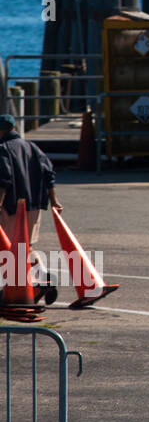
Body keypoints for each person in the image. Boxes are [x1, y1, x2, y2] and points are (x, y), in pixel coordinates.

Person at [0, 113, 58, 303]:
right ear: (14, 128)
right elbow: (49, 173)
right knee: (27, 246)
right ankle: (43, 278)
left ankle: (11, 289)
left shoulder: (3, 149)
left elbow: (5, 179)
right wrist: (54, 200)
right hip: (33, 205)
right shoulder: (32, 147)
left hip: (11, 206)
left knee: (9, 248)